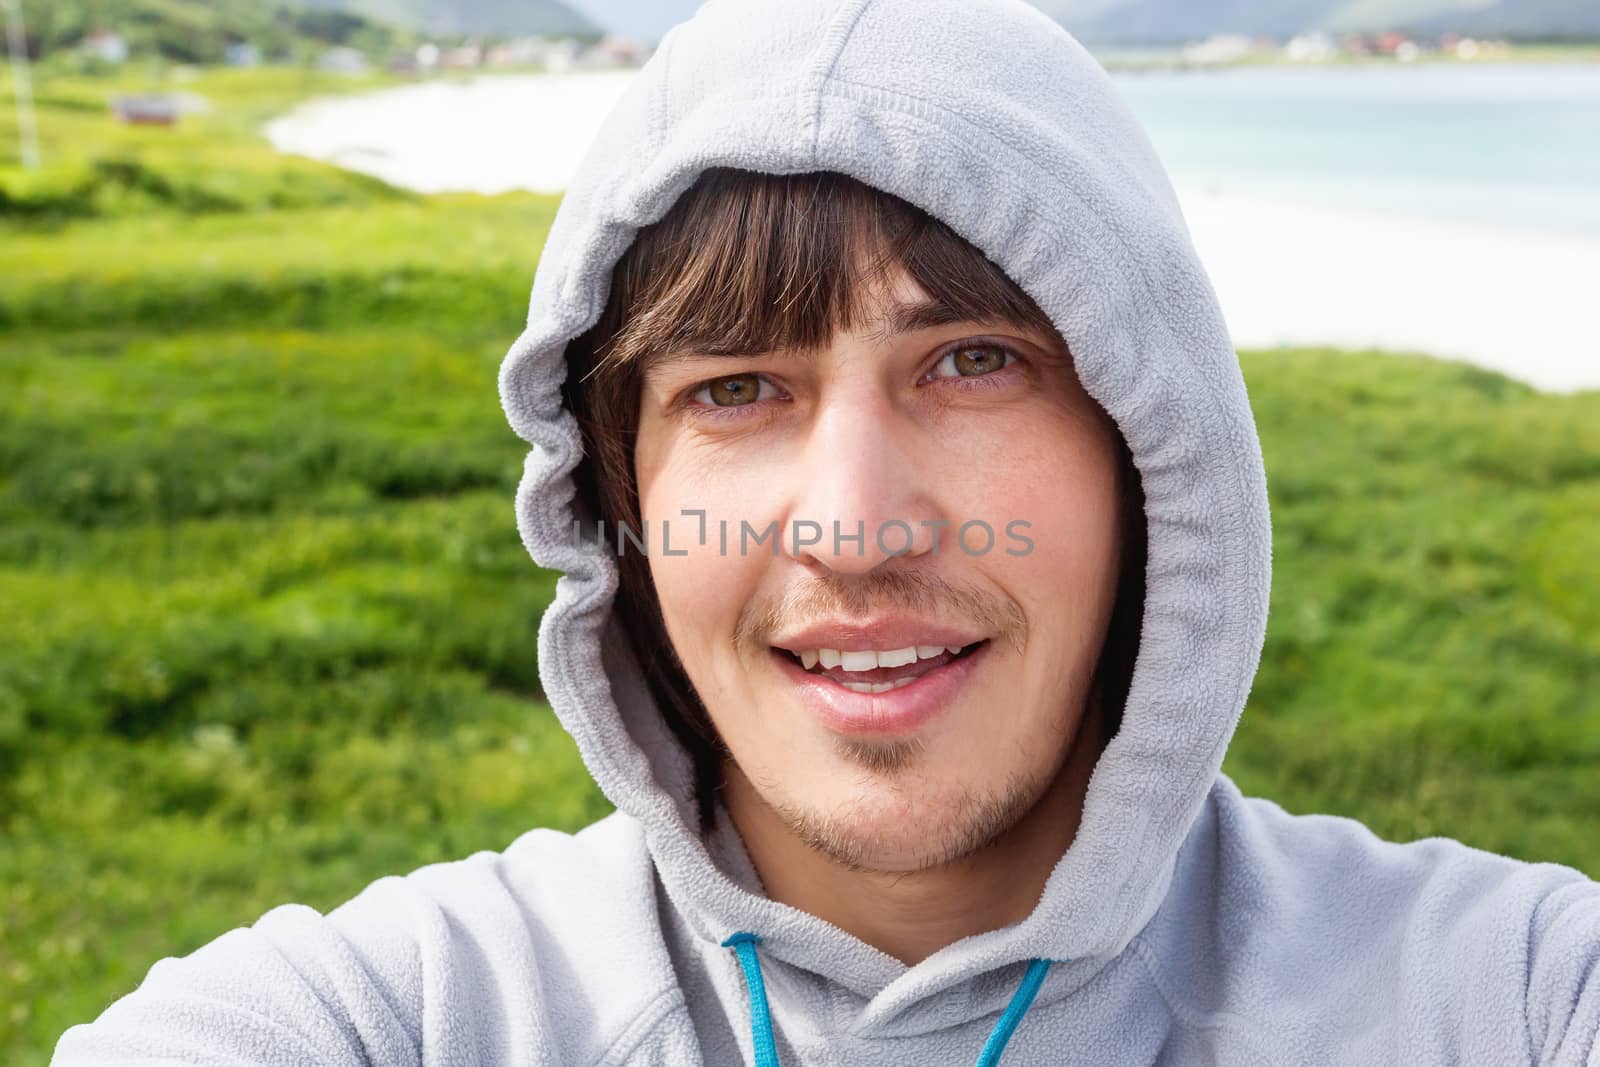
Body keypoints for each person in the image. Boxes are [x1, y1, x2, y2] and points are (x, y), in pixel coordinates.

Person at [53, 0, 1600, 1064]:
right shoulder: (408, 1017)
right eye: (735, 387)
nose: (855, 528)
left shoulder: (1508, 999)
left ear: (1153, 453)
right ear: (619, 499)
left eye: (973, 360)